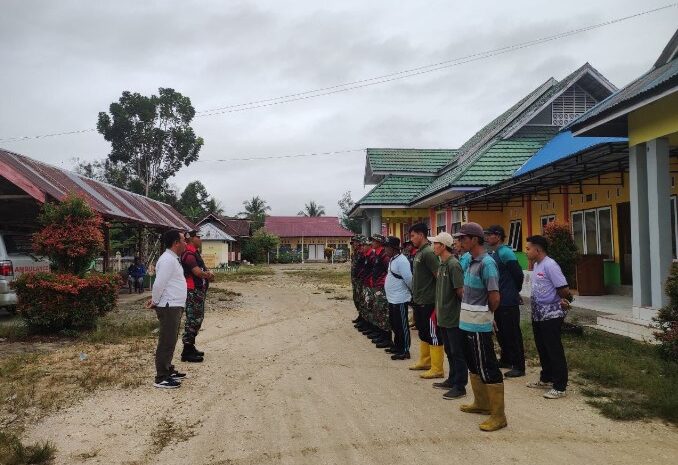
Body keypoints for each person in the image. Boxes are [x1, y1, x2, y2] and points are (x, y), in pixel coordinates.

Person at [454, 222, 507, 432]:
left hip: (479, 325)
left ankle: (498, 415)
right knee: (473, 365)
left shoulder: (487, 264)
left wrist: (487, 315)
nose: (460, 242)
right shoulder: (469, 261)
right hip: (466, 322)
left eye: (463, 239)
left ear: (475, 239)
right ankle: (481, 403)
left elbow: (494, 298)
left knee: (488, 366)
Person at [525, 235, 573, 399]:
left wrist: (563, 301)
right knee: (542, 347)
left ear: (538, 249)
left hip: (551, 314)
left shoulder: (550, 265)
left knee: (553, 348)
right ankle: (546, 377)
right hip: (538, 314)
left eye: (528, 248)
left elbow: (564, 289)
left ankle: (560, 386)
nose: (526, 252)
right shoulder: (537, 265)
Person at [147, 230, 188, 389]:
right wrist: (156, 301)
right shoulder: (167, 260)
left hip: (174, 305)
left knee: (171, 339)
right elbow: (158, 284)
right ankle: (161, 377)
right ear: (176, 243)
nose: (186, 243)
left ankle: (168, 369)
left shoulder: (172, 259)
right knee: (166, 340)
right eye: (183, 240)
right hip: (169, 306)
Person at [429, 231, 467, 399]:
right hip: (443, 316)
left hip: (453, 316)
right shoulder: (442, 264)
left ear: (443, 246)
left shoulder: (453, 264)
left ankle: (460, 385)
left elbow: (460, 291)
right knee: (449, 350)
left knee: (457, 352)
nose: (433, 247)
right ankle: (452, 379)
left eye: (435, 244)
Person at [484, 225, 526, 378]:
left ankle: (519, 366)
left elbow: (518, 274)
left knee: (512, 333)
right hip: (498, 299)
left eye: (489, 234)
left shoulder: (506, 252)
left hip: (508, 300)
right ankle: (507, 359)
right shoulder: (493, 253)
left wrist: (514, 291)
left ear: (498, 236)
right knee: (501, 332)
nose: (487, 237)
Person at [408, 223, 444, 379]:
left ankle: (437, 368)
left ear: (421, 235)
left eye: (413, 236)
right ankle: (425, 361)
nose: (411, 239)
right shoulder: (419, 253)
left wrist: (439, 299)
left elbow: (439, 276)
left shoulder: (429, 253)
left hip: (429, 301)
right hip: (419, 300)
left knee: (432, 333)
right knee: (423, 331)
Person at [180, 230, 214, 363]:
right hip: (193, 291)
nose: (200, 239)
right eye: (198, 237)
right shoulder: (189, 254)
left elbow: (202, 270)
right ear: (191, 239)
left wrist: (208, 274)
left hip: (198, 291)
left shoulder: (195, 253)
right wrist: (208, 275)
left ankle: (190, 346)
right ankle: (186, 351)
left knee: (197, 318)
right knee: (193, 319)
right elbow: (197, 272)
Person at [383, 236, 412, 360]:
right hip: (392, 298)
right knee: (394, 324)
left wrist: (410, 292)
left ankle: (405, 350)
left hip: (400, 298)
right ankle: (397, 345)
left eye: (387, 247)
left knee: (402, 325)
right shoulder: (392, 259)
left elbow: (409, 279)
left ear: (393, 248)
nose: (385, 249)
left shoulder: (402, 261)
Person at [366, 234, 392, 349]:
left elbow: (388, 271)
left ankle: (386, 337)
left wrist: (383, 283)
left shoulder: (384, 255)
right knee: (377, 310)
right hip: (376, 286)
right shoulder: (377, 254)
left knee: (383, 312)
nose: (372, 243)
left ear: (379, 242)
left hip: (382, 287)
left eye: (374, 241)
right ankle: (380, 334)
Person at [350, 235, 366, 327]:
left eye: (356, 242)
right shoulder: (354, 253)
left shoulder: (362, 254)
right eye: (353, 243)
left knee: (361, 299)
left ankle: (363, 318)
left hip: (361, 280)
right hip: (355, 280)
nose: (354, 244)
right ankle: (360, 316)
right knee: (356, 298)